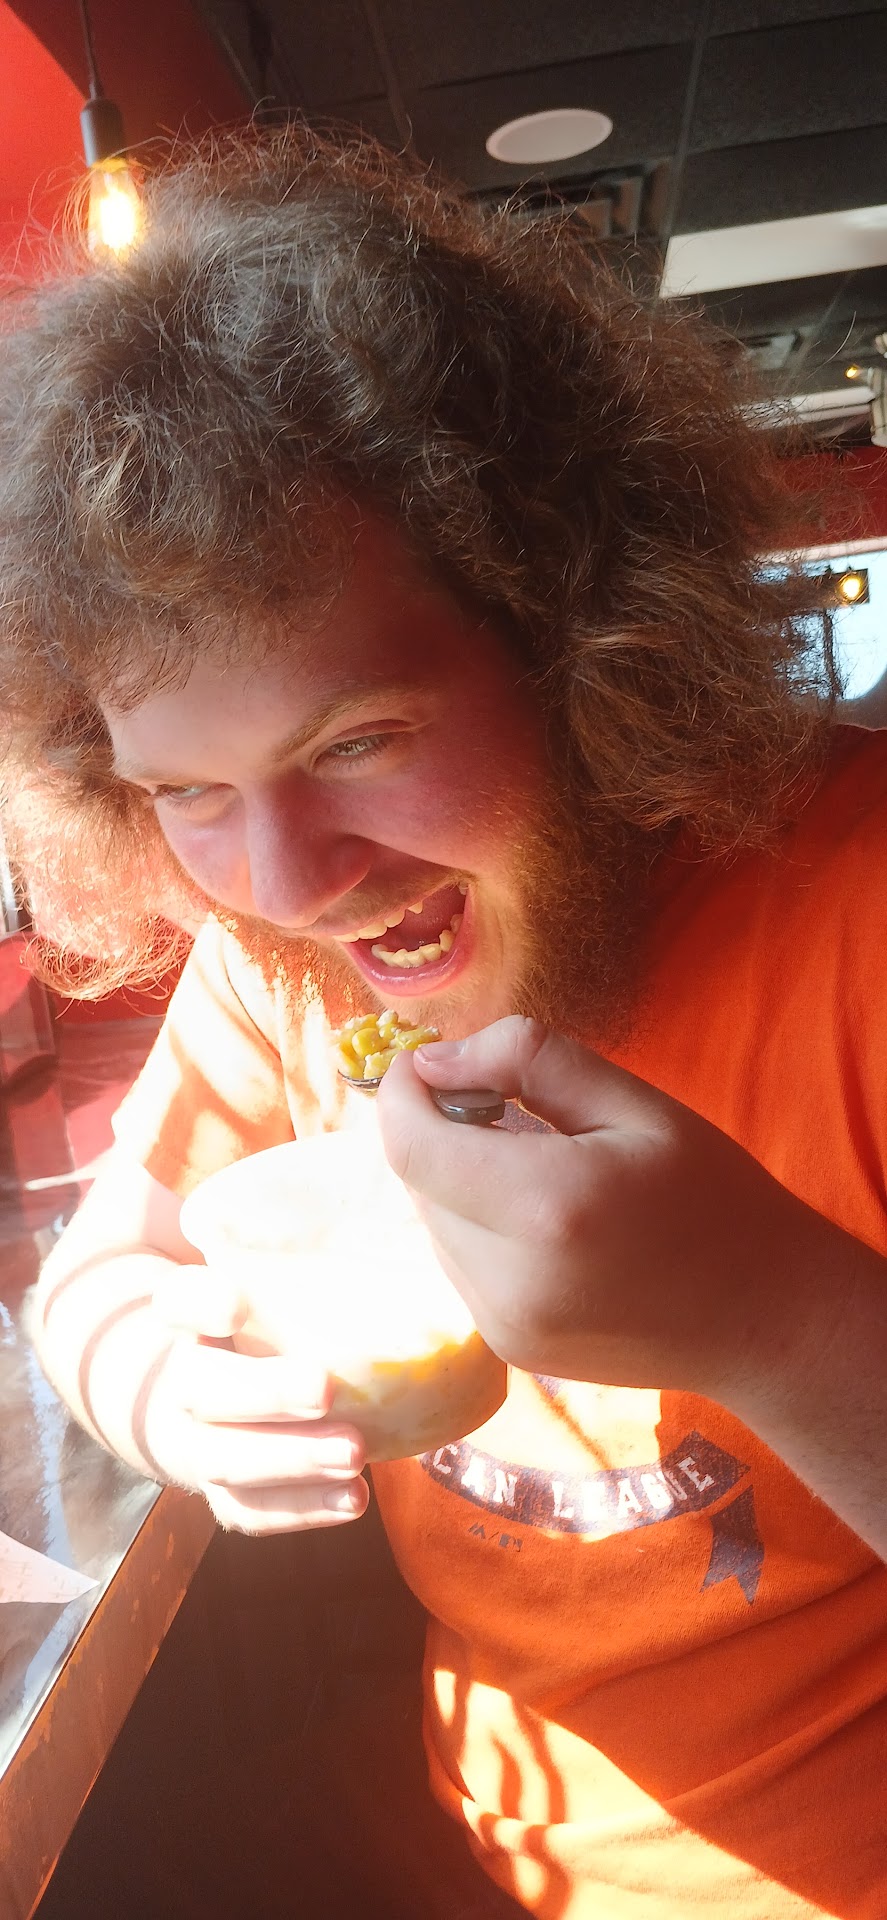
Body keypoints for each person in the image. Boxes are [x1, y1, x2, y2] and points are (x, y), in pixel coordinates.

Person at [1, 129, 885, 1919]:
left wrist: (774, 1313)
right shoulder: (284, 969)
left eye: (357, 741)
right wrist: (168, 1393)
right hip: (466, 1836)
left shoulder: (857, 913)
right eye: (185, 790)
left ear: (580, 634)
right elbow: (100, 1274)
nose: (286, 881)